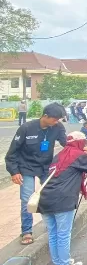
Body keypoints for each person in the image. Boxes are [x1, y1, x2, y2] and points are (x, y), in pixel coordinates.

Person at [38, 131, 87, 265]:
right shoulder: (78, 155)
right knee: (63, 235)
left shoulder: (59, 155)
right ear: (80, 143)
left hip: (45, 199)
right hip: (62, 200)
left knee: (53, 234)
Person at [5, 103, 67, 245]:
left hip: (46, 166)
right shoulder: (26, 128)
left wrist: (83, 148)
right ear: (45, 116)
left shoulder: (57, 128)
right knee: (28, 199)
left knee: (50, 194)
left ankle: (51, 225)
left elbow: (66, 144)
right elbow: (12, 153)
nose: (56, 122)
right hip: (26, 167)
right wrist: (14, 172)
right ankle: (26, 231)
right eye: (55, 119)